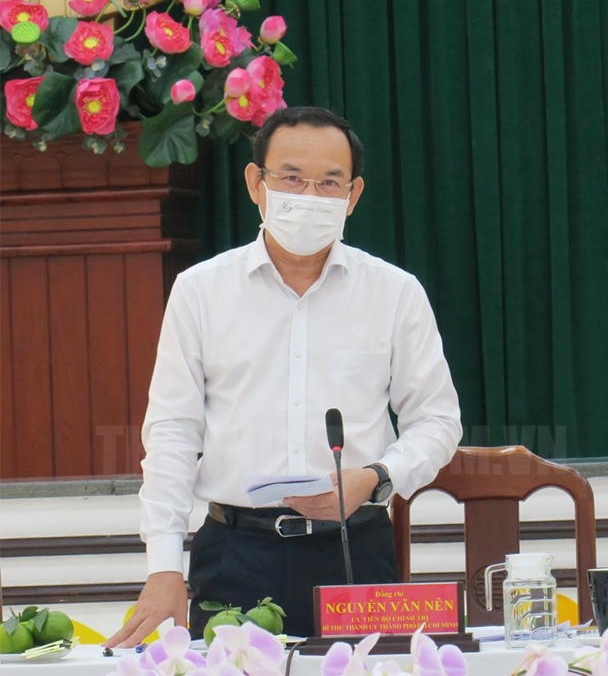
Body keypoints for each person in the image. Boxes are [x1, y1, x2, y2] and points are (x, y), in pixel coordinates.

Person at [105, 106, 462, 647]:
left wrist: (377, 477)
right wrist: (164, 567)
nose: (309, 196)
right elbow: (173, 433)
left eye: (329, 183)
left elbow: (437, 420)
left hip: (355, 549)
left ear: (353, 195)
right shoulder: (201, 291)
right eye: (292, 178)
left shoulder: (394, 292)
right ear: (256, 182)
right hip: (235, 554)